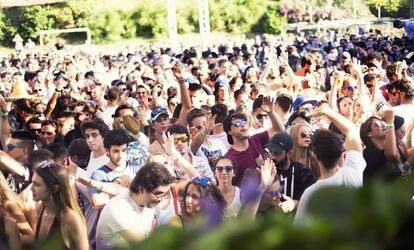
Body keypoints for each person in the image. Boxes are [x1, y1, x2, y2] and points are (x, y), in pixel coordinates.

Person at [294, 106, 365, 224]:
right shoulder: (353, 173)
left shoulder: (310, 194)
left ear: (314, 155)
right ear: (341, 153)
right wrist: (327, 112)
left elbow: (298, 234)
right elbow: (352, 131)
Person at [96, 162, 174, 249]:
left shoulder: (152, 203)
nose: (160, 199)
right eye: (158, 194)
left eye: (165, 194)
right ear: (141, 189)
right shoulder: (118, 209)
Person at [224, 96, 285, 186]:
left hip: (270, 194)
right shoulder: (229, 158)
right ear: (229, 131)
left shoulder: (256, 139)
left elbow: (279, 129)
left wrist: (271, 112)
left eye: (244, 122)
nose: (243, 125)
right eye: (237, 124)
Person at [31, 162, 88, 249]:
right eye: (32, 183)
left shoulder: (71, 218)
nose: (31, 189)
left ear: (54, 189)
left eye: (37, 185)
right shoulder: (40, 209)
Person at [265, 132, 316, 214]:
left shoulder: (303, 172)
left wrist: (295, 204)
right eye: (270, 151)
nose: (271, 156)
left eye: (277, 153)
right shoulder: (265, 171)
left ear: (289, 154)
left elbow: (313, 201)